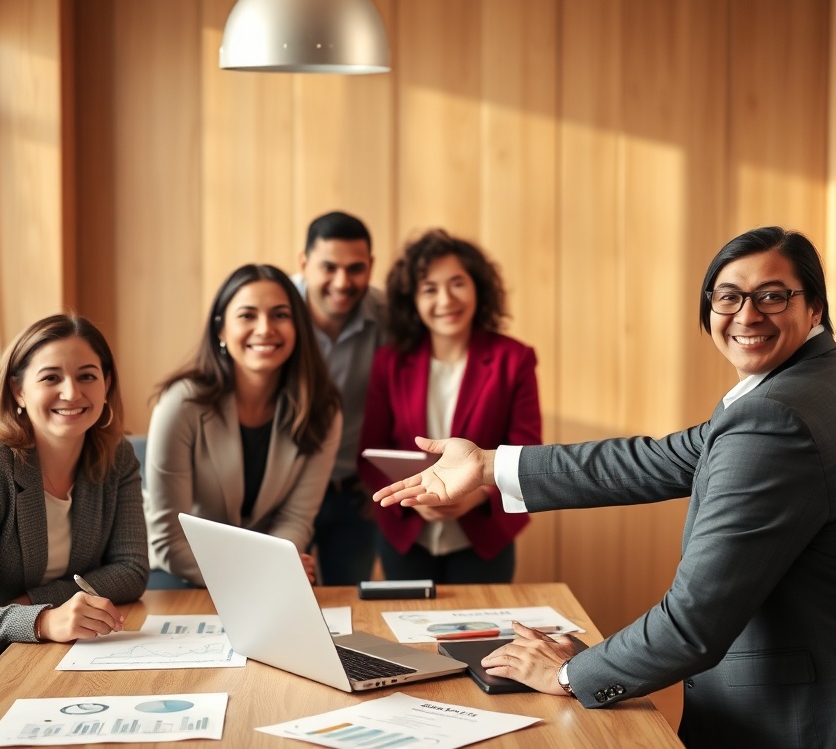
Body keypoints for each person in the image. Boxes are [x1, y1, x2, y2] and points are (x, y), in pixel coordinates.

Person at [375, 227, 836, 748]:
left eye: (772, 296)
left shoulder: (777, 417)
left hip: (811, 719)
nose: (746, 314)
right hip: (822, 690)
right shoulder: (802, 385)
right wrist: (490, 465)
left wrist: (569, 673)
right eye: (728, 296)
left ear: (815, 307)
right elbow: (654, 459)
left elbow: (693, 623)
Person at [0, 315, 149, 703]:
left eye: (88, 376)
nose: (72, 392)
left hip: (63, 656)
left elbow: (132, 570)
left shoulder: (117, 457)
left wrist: (33, 600)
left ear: (107, 385)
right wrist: (43, 619)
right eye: (50, 378)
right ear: (18, 390)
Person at [360, 229, 541, 584]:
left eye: (457, 283)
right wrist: (412, 496)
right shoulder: (389, 362)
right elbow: (369, 451)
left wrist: (476, 495)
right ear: (412, 299)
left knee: (482, 637)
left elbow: (528, 451)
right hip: (406, 532)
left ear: (477, 287)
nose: (445, 300)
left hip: (484, 532)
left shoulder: (514, 359)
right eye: (429, 289)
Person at [144, 264, 342, 587]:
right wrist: (259, 571)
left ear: (299, 328)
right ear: (221, 330)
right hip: (181, 569)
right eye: (247, 316)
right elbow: (169, 538)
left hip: (269, 571)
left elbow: (295, 519)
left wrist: (275, 563)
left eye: (280, 315)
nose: (265, 329)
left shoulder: (323, 410)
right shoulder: (181, 404)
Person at [292, 211, 386, 586]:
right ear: (303, 263)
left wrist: (380, 478)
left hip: (353, 496)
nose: (342, 282)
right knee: (282, 599)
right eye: (328, 267)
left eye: (356, 268)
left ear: (371, 266)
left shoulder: (389, 316)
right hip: (284, 493)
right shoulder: (274, 311)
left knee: (348, 603)